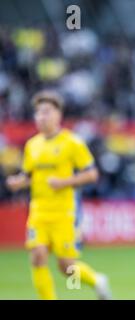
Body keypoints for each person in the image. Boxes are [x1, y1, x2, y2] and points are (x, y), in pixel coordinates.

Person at [6, 90, 112, 300]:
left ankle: (97, 281)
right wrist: (19, 181)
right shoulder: (32, 145)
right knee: (37, 257)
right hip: (38, 211)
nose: (41, 117)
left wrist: (64, 182)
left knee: (67, 267)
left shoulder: (72, 143)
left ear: (58, 115)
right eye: (38, 113)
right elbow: (30, 175)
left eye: (46, 111)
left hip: (64, 212)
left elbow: (92, 174)